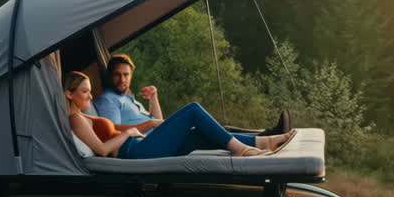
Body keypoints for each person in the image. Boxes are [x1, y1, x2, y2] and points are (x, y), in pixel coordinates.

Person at [65, 71, 292, 159]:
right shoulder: (75, 119)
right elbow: (102, 150)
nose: (90, 96)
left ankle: (267, 141)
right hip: (133, 153)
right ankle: (243, 151)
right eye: (84, 92)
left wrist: (141, 127)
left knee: (196, 136)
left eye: (90, 90)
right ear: (69, 93)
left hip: (139, 144)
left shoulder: (85, 116)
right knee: (192, 110)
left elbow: (113, 131)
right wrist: (129, 134)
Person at [91, 54, 163, 134]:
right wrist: (151, 124)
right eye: (117, 75)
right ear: (110, 76)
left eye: (126, 75)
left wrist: (153, 96)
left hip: (160, 134)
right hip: (148, 142)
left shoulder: (125, 97)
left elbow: (158, 121)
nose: (122, 80)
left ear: (131, 76)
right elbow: (113, 130)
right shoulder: (107, 99)